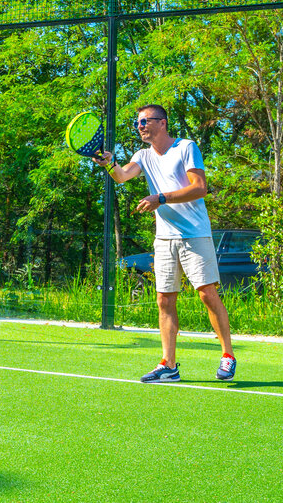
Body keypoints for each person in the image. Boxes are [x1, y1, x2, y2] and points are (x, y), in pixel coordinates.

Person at [94, 104, 236, 383]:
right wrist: (109, 163)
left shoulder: (186, 147)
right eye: (138, 123)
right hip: (164, 238)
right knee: (164, 299)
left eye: (146, 121)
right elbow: (122, 176)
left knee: (207, 293)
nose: (141, 126)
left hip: (195, 234)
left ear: (163, 123)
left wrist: (160, 198)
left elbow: (199, 188)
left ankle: (228, 355)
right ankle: (168, 365)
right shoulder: (143, 155)